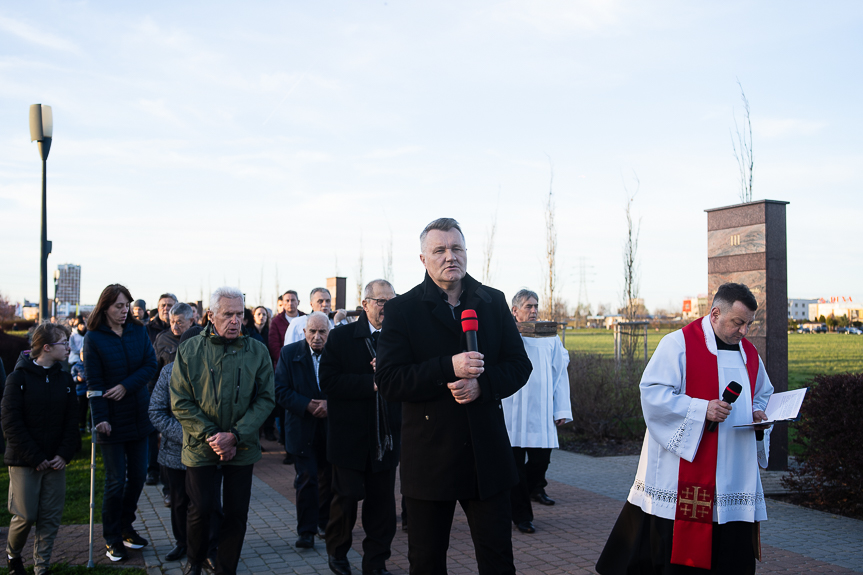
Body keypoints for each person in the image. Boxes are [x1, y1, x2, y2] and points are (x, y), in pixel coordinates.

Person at [376, 217, 532, 575]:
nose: (450, 256)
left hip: (486, 455)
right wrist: (448, 367)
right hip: (430, 458)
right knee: (427, 562)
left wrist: (483, 384)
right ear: (423, 259)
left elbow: (519, 365)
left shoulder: (492, 301)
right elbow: (389, 380)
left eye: (456, 248)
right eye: (440, 250)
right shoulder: (402, 310)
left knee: (497, 561)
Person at [596, 283, 774, 575]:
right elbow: (653, 394)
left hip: (734, 471)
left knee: (729, 553)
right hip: (685, 470)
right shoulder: (678, 344)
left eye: (748, 325)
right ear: (715, 313)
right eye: (738, 323)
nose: (744, 332)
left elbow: (762, 392)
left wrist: (757, 411)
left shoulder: (749, 354)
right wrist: (703, 409)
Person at [170, 286, 275, 575]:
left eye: (240, 314)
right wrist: (212, 436)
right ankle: (195, 559)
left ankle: (226, 568)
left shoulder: (257, 350)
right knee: (201, 508)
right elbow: (180, 400)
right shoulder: (190, 349)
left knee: (236, 513)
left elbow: (266, 397)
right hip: (201, 445)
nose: (235, 320)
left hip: (241, 446)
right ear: (210, 316)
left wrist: (235, 435)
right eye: (228, 314)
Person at [320, 280, 401, 575]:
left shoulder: (400, 339)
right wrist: (373, 383)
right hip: (349, 438)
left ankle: (375, 564)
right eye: (380, 302)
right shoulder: (341, 338)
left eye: (391, 302)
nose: (386, 308)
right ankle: (338, 554)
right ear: (364, 303)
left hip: (386, 438)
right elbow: (328, 381)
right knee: (346, 501)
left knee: (382, 508)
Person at [84, 284, 157, 562]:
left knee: (138, 477)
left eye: (126, 305)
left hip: (138, 415)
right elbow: (94, 383)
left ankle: (127, 526)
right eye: (118, 306)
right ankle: (112, 538)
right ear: (105, 307)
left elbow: (150, 365)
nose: (124, 310)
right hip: (111, 420)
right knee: (115, 481)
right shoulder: (94, 338)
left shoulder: (138, 330)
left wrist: (126, 386)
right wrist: (99, 417)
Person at [1, 322, 79, 575]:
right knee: (24, 516)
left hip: (56, 462)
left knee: (50, 517)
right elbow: (11, 423)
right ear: (46, 347)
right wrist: (35, 457)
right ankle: (13, 555)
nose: (68, 347)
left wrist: (63, 454)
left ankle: (41, 567)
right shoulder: (18, 378)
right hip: (25, 461)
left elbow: (72, 421)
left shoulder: (65, 379)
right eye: (63, 343)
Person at [149, 325, 222, 567]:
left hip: (207, 452)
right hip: (175, 451)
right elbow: (157, 411)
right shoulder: (169, 372)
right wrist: (187, 435)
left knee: (208, 502)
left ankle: (210, 548)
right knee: (180, 501)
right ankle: (183, 543)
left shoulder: (216, 371)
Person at [502, 289, 572, 534]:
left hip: (541, 410)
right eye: (528, 307)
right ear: (515, 311)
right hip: (512, 411)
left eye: (535, 306)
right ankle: (522, 516)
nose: (533, 311)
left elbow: (560, 372)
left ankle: (534, 488)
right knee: (515, 466)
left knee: (541, 459)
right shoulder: (505, 334)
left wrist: (561, 407)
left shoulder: (549, 337)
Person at [274, 312, 334, 550]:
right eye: (313, 331)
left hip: (330, 427)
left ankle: (324, 523)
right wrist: (307, 404)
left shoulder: (337, 353)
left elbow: (347, 385)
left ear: (329, 333)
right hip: (302, 426)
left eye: (322, 332)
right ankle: (306, 531)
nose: (317, 337)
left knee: (329, 478)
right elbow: (280, 390)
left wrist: (331, 404)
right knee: (307, 478)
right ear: (304, 331)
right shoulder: (290, 354)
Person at [146, 293, 178, 486]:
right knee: (153, 434)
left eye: (170, 305)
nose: (166, 308)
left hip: (178, 394)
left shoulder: (186, 331)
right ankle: (152, 470)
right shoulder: (148, 330)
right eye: (163, 305)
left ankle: (170, 479)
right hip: (157, 388)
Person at [283, 288, 348, 346]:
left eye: (327, 301)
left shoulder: (339, 321)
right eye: (320, 301)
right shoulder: (298, 323)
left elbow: (346, 345)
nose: (325, 304)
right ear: (311, 304)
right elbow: (288, 349)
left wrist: (338, 322)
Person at [268, 291, 305, 367]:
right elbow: (274, 346)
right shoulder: (276, 321)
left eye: (293, 300)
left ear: (298, 302)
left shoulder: (305, 319)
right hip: (284, 364)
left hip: (304, 363)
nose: (290, 303)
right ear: (283, 303)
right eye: (287, 301)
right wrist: (285, 361)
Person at [71, 356, 88, 433]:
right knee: (82, 410)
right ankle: (81, 426)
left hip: (90, 390)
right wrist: (77, 379)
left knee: (92, 410)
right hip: (81, 391)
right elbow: (71, 378)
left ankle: (90, 425)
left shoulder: (91, 364)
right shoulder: (76, 366)